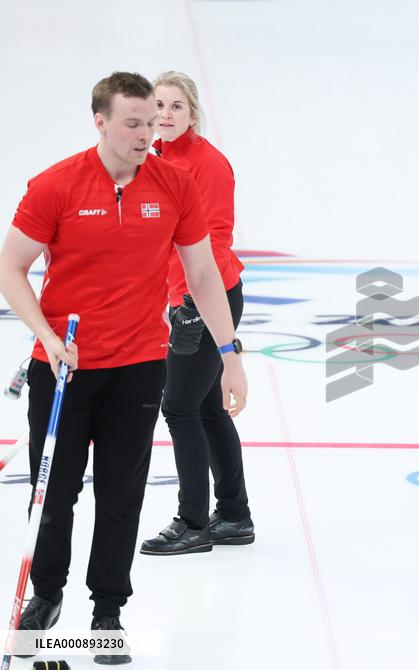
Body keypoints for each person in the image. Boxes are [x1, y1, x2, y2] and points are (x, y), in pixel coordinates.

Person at [0, 72, 247, 664]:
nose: (147, 132)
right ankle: (46, 597)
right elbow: (11, 268)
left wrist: (230, 354)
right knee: (55, 494)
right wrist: (46, 336)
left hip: (138, 365)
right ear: (101, 121)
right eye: (134, 122)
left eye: (151, 121)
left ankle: (107, 611)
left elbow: (205, 274)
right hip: (62, 368)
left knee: (121, 495)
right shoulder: (55, 184)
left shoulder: (175, 184)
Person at [140, 71, 253, 557]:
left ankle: (193, 522)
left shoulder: (204, 164)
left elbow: (214, 241)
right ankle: (233, 515)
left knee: (180, 407)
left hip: (206, 301)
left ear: (193, 113)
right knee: (204, 409)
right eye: (158, 106)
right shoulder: (156, 158)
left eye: (176, 107)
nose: (165, 115)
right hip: (182, 299)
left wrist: (188, 305)